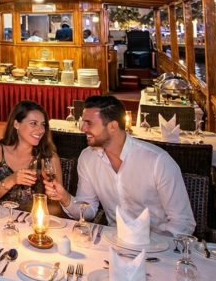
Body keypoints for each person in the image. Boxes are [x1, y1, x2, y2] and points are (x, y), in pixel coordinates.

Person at [43, 95, 195, 236]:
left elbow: (183, 222)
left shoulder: (157, 161)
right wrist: (65, 198)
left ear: (113, 126)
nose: (82, 128)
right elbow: (88, 210)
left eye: (89, 123)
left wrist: (159, 248)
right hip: (115, 242)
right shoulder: (87, 157)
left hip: (159, 244)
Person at [0, 100, 65, 215]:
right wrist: (11, 180)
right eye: (33, 123)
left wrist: (33, 219)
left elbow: (57, 206)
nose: (41, 130)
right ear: (16, 124)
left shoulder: (49, 158)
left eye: (43, 124)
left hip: (31, 223)